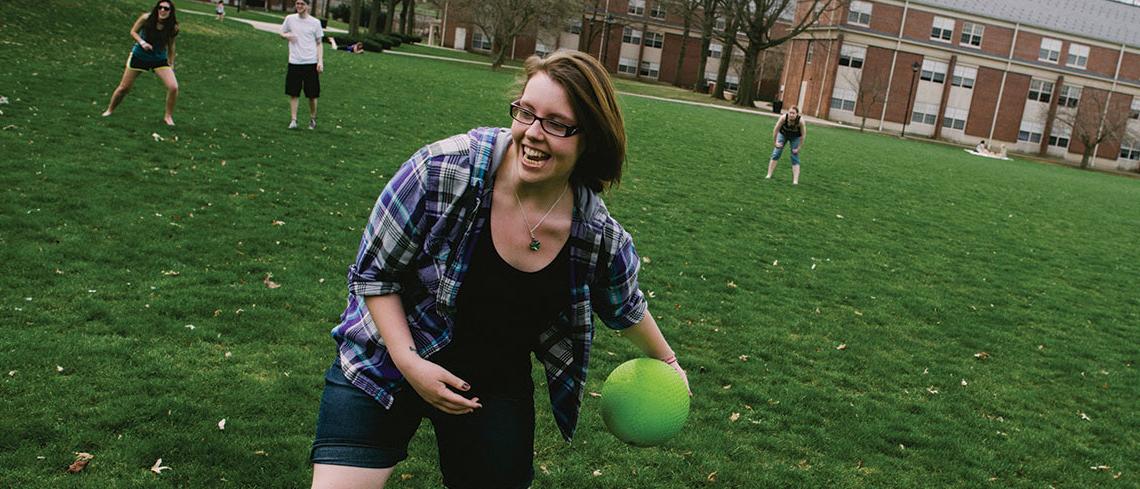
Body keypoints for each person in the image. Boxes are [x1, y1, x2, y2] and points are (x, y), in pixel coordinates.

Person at [309, 51, 690, 489]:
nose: (532, 133)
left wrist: (668, 360)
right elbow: (374, 275)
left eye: (556, 123)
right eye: (526, 112)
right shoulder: (441, 170)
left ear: (590, 137)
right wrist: (410, 362)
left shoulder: (596, 236)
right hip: (385, 361)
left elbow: (625, 306)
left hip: (488, 384)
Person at [101, 0, 180, 126]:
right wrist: (142, 43)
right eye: (160, 7)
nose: (163, 11)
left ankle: (168, 117)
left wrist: (171, 63)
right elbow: (133, 31)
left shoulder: (173, 27)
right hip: (140, 56)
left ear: (171, 12)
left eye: (166, 9)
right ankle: (109, 110)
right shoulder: (146, 18)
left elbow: (171, 46)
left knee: (173, 87)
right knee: (124, 88)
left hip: (158, 59)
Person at [281, 0, 324, 129]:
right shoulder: (290, 19)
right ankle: (293, 120)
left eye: (302, 4)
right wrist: (286, 36)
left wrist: (320, 61)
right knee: (293, 93)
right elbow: (281, 32)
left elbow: (319, 43)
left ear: (307, 6)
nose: (299, 6)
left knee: (312, 95)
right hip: (294, 61)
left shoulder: (315, 23)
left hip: (310, 62)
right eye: (297, 3)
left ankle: (312, 119)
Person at [766, 105, 807, 185]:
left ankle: (795, 181)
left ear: (797, 114)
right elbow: (776, 129)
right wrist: (775, 143)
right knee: (776, 153)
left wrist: (799, 147)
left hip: (795, 137)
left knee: (794, 156)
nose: (791, 114)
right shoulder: (783, 118)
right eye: (790, 112)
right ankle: (769, 174)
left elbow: (803, 135)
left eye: (793, 113)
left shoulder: (800, 121)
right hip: (783, 135)